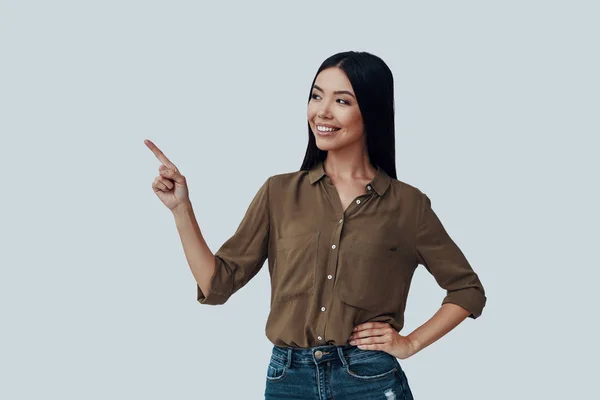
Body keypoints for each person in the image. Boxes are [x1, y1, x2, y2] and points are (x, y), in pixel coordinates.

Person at [145, 50, 487, 400]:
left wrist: (411, 342)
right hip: (288, 381)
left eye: (342, 100)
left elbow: (467, 289)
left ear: (371, 110)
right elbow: (217, 285)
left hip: (368, 379)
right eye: (316, 95)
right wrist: (181, 210)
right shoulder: (278, 193)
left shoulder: (407, 205)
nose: (322, 111)